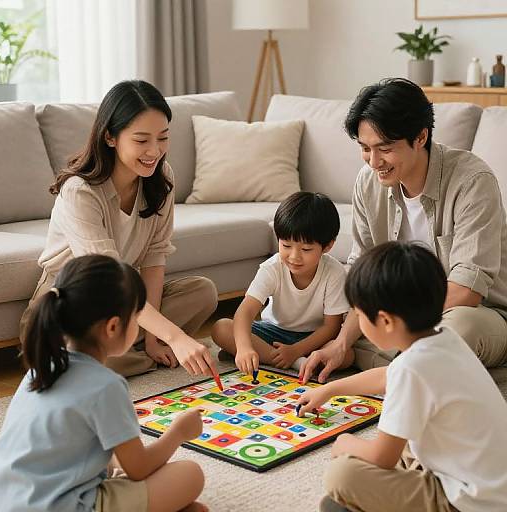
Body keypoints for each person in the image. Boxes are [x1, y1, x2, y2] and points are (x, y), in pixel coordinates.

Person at [301, 77, 507, 383]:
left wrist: (397, 323)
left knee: (452, 332)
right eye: (364, 148)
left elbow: (467, 290)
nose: (373, 162)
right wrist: (341, 342)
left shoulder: (472, 181)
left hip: (480, 311)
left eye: (384, 148)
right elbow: (363, 275)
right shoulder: (368, 181)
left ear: (421, 137)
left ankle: (392, 367)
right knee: (332, 326)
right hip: (402, 314)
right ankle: (406, 368)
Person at [20, 79, 219, 378]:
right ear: (110, 137)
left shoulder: (161, 176)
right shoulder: (80, 191)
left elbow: (154, 257)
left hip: (122, 306)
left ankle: (130, 351)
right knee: (95, 358)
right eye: (141, 140)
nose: (155, 151)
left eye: (163, 138)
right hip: (72, 307)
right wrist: (175, 337)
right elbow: (109, 283)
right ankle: (105, 358)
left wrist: (154, 340)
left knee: (203, 292)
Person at [297, 242, 507, 512]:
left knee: (343, 474)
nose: (358, 322)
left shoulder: (412, 369)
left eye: (360, 315)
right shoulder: (444, 339)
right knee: (408, 442)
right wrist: (329, 390)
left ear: (385, 321)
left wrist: (346, 443)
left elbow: (382, 457)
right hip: (489, 482)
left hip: (469, 501)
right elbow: (388, 376)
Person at [0, 255, 208, 512]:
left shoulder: (41, 368)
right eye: (137, 316)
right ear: (113, 327)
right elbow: (138, 469)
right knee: (190, 474)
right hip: (66, 505)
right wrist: (178, 433)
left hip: (6, 501)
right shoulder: (106, 385)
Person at [211, 191, 351, 373]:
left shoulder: (334, 272)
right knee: (221, 328)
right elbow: (245, 312)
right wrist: (244, 347)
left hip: (314, 337)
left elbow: (330, 327)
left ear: (328, 246)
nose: (294, 257)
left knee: (347, 356)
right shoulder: (272, 268)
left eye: (306, 249)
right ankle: (297, 364)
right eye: (286, 246)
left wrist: (296, 350)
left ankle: (277, 358)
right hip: (273, 331)